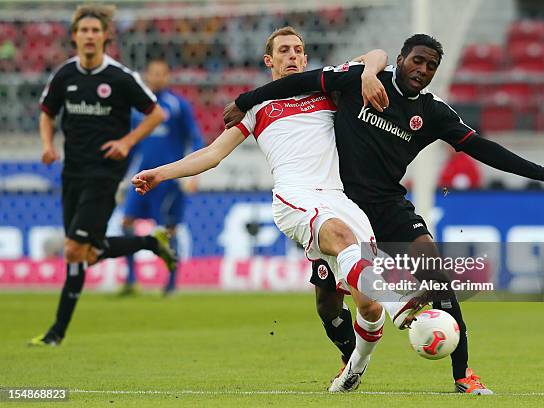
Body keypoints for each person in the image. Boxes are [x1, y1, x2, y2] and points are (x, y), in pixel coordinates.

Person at [223, 33, 544, 394]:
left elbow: (482, 148)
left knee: (436, 274)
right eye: (417, 61)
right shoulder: (362, 79)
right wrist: (246, 100)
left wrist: (542, 172)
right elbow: (303, 80)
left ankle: (463, 375)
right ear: (401, 58)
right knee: (328, 306)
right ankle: (351, 360)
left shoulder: (432, 111)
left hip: (388, 205)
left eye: (431, 66)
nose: (422, 70)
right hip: (336, 204)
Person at [132, 26, 430, 393]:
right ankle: (398, 300)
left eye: (298, 50)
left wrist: (367, 73)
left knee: (367, 308)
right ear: (269, 60)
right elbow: (211, 155)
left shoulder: (327, 90)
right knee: (342, 239)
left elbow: (377, 55)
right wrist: (160, 174)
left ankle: (354, 368)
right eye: (284, 50)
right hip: (295, 196)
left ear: (305, 59)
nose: (292, 55)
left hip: (339, 197)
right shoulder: (257, 108)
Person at [30, 4, 176, 347]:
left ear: (105, 37)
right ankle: (151, 243)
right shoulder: (65, 75)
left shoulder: (120, 77)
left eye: (96, 31)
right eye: (84, 31)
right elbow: (46, 113)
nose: (90, 36)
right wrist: (48, 145)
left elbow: (157, 114)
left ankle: (56, 334)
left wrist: (126, 142)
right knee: (88, 253)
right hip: (72, 171)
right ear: (74, 37)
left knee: (72, 250)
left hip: (104, 173)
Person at [119, 59, 205, 296]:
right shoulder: (138, 107)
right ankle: (131, 279)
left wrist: (194, 173)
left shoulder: (178, 105)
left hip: (168, 180)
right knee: (126, 222)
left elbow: (196, 139)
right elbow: (132, 145)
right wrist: (120, 177)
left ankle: (170, 284)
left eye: (161, 73)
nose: (156, 77)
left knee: (168, 230)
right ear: (147, 76)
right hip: (141, 179)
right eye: (153, 73)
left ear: (167, 77)